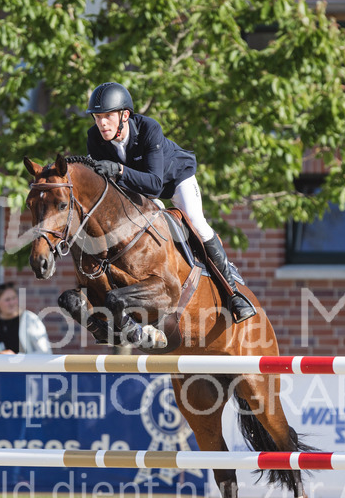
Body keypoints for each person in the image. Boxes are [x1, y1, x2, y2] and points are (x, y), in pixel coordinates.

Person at [84, 81, 256, 323]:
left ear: (124, 115)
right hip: (136, 188)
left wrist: (120, 170)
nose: (102, 123)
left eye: (108, 116)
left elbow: (154, 184)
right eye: (97, 117)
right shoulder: (94, 138)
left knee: (197, 222)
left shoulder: (148, 128)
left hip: (174, 179)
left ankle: (233, 293)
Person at [0, 282, 52, 354]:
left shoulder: (30, 320)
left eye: (14, 298)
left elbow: (45, 353)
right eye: (7, 300)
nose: (12, 303)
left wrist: (15, 357)